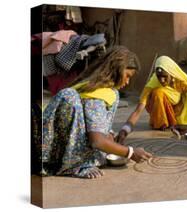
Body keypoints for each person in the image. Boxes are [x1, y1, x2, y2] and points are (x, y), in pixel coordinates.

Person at [42, 46, 152, 179]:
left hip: (71, 140)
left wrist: (111, 136)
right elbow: (97, 141)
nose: (127, 82)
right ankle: (72, 164)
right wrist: (130, 152)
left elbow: (96, 123)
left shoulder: (109, 92)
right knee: (69, 96)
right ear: (116, 69)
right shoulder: (95, 94)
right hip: (53, 151)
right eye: (127, 76)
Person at [116, 55, 187, 144]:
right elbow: (138, 110)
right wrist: (125, 129)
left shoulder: (181, 79)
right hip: (165, 117)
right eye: (159, 76)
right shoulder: (152, 84)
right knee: (158, 92)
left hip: (181, 115)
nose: (162, 80)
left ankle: (186, 123)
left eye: (164, 76)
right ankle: (162, 124)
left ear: (171, 73)